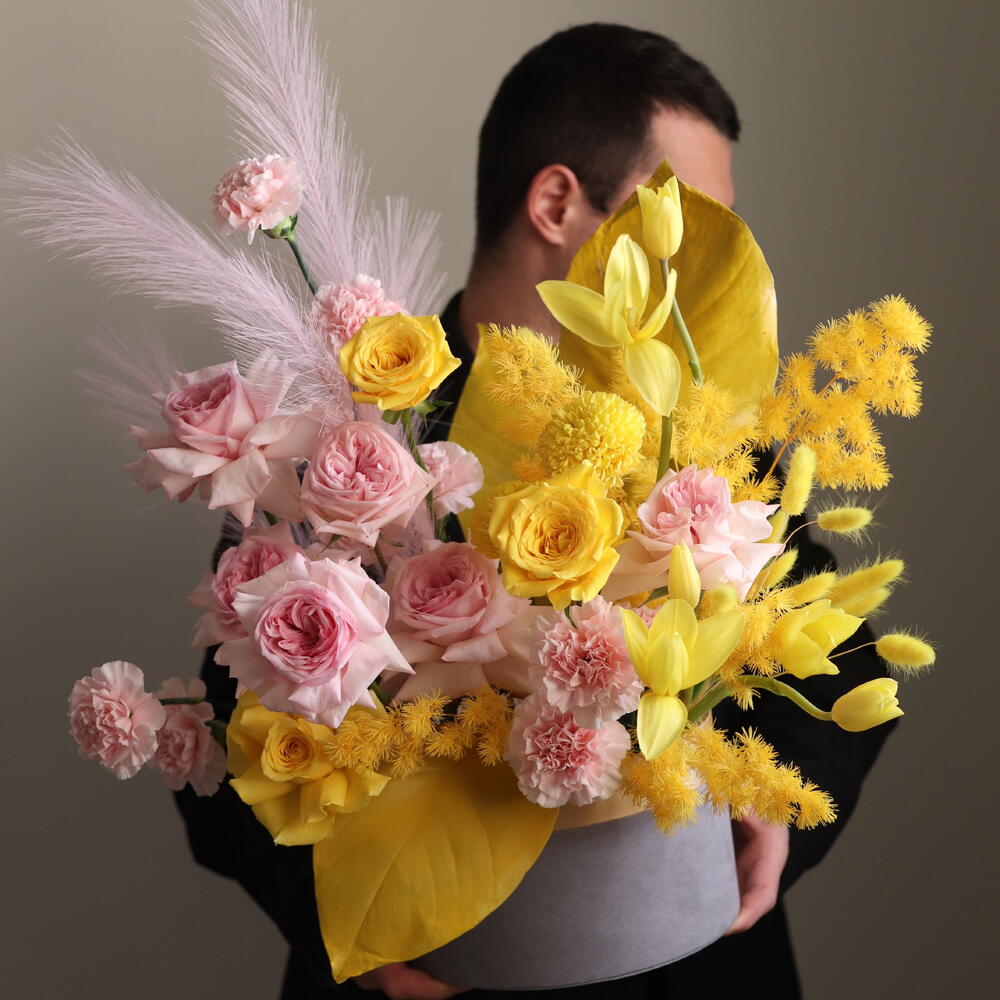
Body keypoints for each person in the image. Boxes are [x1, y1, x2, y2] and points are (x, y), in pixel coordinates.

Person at [175, 23, 896, 1000]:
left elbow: (844, 657)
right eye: (690, 219)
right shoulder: (342, 442)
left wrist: (775, 818)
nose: (716, 263)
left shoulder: (701, 421)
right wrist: (361, 935)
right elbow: (224, 746)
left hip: (694, 967)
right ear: (557, 202)